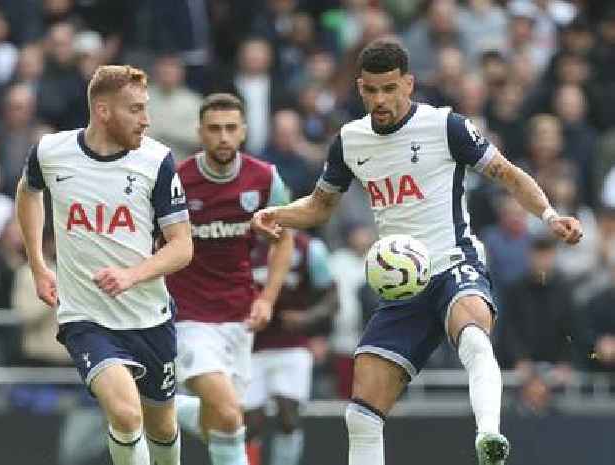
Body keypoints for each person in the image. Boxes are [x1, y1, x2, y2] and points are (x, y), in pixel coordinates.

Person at [251, 39, 583, 465]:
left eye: (389, 88)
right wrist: (279, 214)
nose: (380, 99)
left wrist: (550, 216)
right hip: (400, 285)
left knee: (475, 339)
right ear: (359, 88)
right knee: (361, 416)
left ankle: (489, 438)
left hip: (453, 264)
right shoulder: (350, 141)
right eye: (370, 90)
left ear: (408, 83)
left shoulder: (446, 127)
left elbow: (508, 174)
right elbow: (319, 206)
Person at [15, 65, 192, 465]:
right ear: (103, 110)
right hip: (86, 317)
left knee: (161, 426)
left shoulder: (157, 161)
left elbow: (182, 248)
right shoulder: (51, 152)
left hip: (149, 315)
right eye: (135, 109)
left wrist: (132, 275)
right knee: (127, 416)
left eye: (146, 108)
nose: (146, 120)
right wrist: (38, 265)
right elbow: (27, 192)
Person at [165, 93, 293, 465]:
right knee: (228, 414)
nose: (223, 136)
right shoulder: (177, 181)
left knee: (222, 423)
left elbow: (284, 241)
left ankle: (167, 411)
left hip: (239, 315)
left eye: (230, 128)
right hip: (188, 317)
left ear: (244, 132)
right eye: (214, 129)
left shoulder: (265, 179)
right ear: (200, 133)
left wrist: (267, 298)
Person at [244, 230, 337, 465]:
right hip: (249, 346)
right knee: (249, 423)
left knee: (289, 417)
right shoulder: (243, 244)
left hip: (292, 344)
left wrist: (307, 318)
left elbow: (332, 298)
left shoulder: (309, 248)